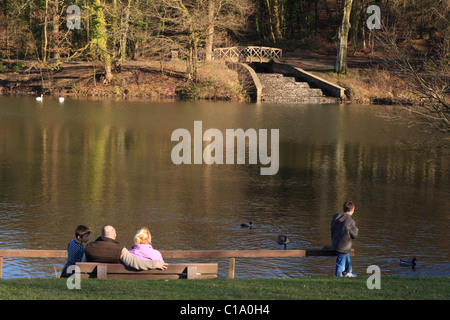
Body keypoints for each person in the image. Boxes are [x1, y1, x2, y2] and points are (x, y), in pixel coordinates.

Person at [83, 225, 167, 271]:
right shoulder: (120, 249)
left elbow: (81, 263)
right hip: (114, 279)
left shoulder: (88, 247)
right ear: (115, 236)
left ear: (101, 235)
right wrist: (154, 264)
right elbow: (134, 263)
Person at [331, 201, 358, 277]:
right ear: (352, 209)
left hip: (336, 243)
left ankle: (348, 273)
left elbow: (332, 230)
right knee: (340, 263)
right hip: (344, 245)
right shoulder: (350, 221)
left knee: (346, 258)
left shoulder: (336, 218)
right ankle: (338, 277)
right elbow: (354, 235)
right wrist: (356, 229)